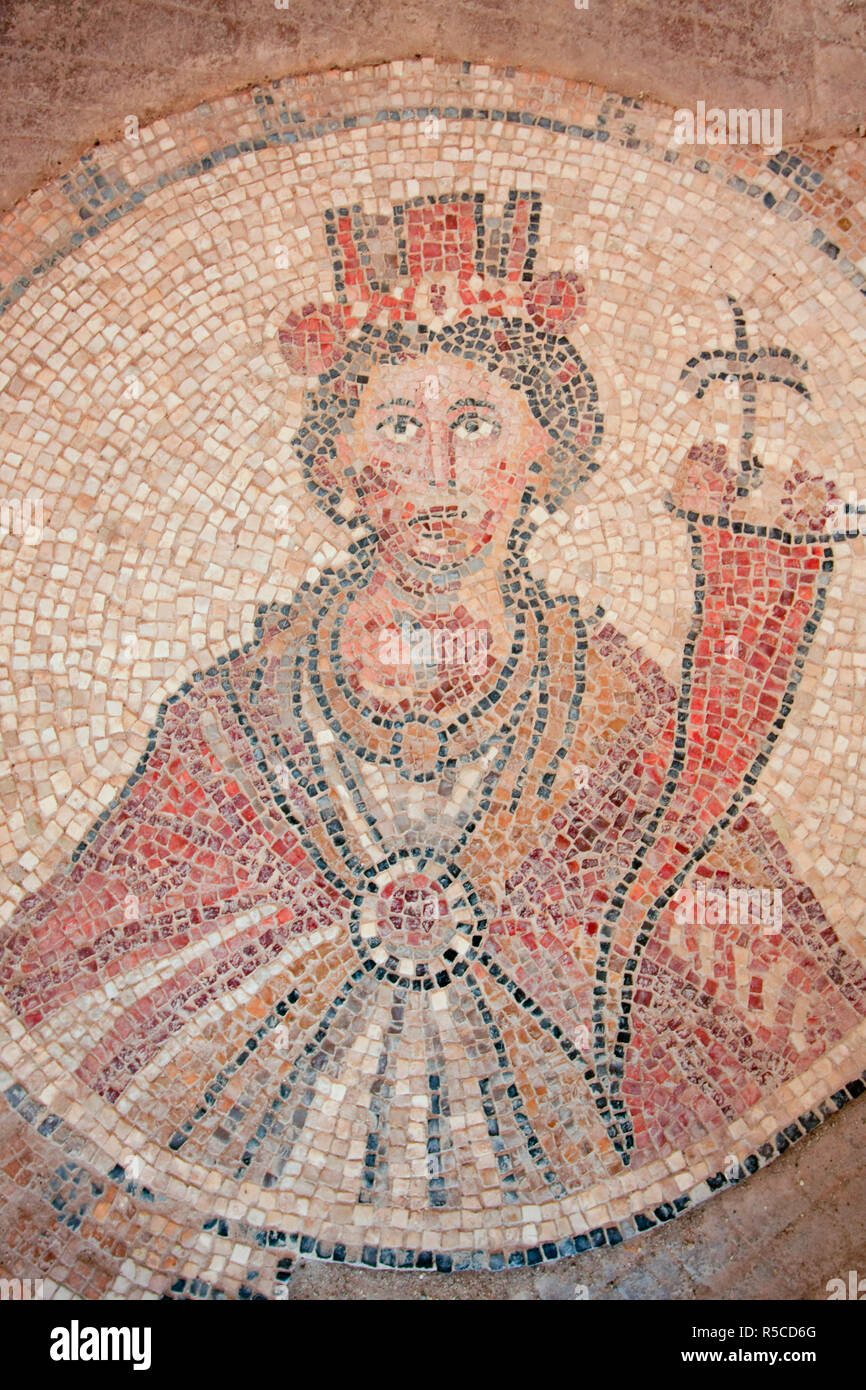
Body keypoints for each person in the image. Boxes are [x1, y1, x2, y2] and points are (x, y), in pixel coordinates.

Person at [3, 193, 863, 1240]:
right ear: (340, 461)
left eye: (475, 422)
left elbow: (735, 952)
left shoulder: (607, 699)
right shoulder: (237, 712)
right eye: (398, 425)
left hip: (558, 1147)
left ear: (544, 452)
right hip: (257, 1149)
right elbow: (96, 938)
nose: (438, 471)